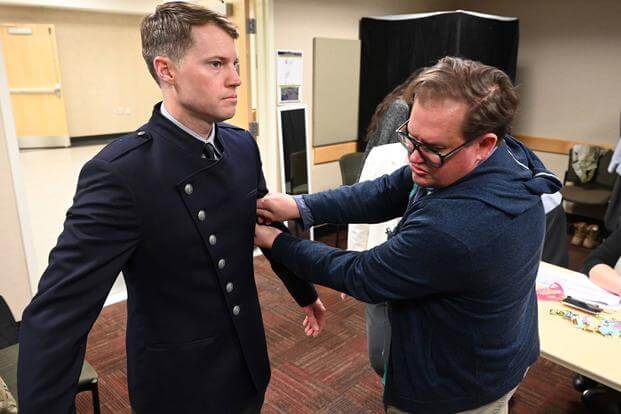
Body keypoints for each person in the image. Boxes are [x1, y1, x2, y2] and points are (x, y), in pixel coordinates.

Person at [17, 3, 325, 413]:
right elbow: (57, 315)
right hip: (179, 379)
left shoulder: (240, 146)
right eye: (216, 64)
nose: (235, 78)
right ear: (167, 70)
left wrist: (302, 291)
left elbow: (265, 225)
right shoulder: (120, 174)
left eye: (234, 62)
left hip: (247, 353)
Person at [255, 56, 562, 413]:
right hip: (485, 348)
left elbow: (363, 275)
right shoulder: (487, 154)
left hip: (457, 387)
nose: (414, 156)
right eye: (411, 139)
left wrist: (276, 241)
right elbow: (387, 190)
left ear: (484, 144)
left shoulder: (458, 227)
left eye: (431, 148)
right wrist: (298, 206)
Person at [349, 72, 418, 378]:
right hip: (382, 237)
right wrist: (354, 259)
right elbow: (363, 200)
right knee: (381, 353)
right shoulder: (399, 113)